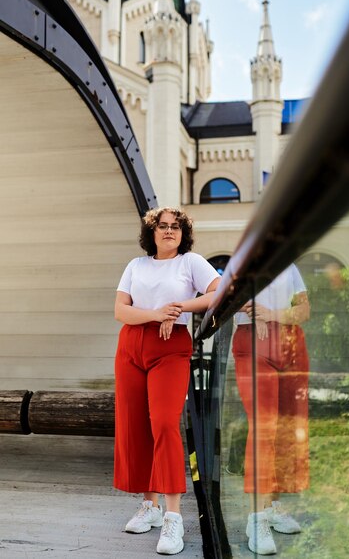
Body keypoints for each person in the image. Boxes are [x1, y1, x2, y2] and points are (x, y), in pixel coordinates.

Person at [114, 207, 220, 555]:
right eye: (163, 226)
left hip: (170, 346)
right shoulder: (136, 265)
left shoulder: (191, 262)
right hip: (131, 345)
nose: (169, 231)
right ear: (152, 232)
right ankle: (150, 505)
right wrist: (156, 313)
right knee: (136, 426)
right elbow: (121, 311)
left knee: (163, 424)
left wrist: (178, 308)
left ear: (182, 233)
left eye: (175, 227)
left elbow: (218, 292)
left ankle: (173, 517)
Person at [232, 264, 310, 555]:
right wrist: (254, 312)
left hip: (289, 343)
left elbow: (304, 310)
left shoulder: (288, 266)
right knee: (263, 427)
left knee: (286, 430)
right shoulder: (243, 261)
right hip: (253, 342)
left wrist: (273, 315)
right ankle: (257, 518)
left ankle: (273, 505)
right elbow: (222, 296)